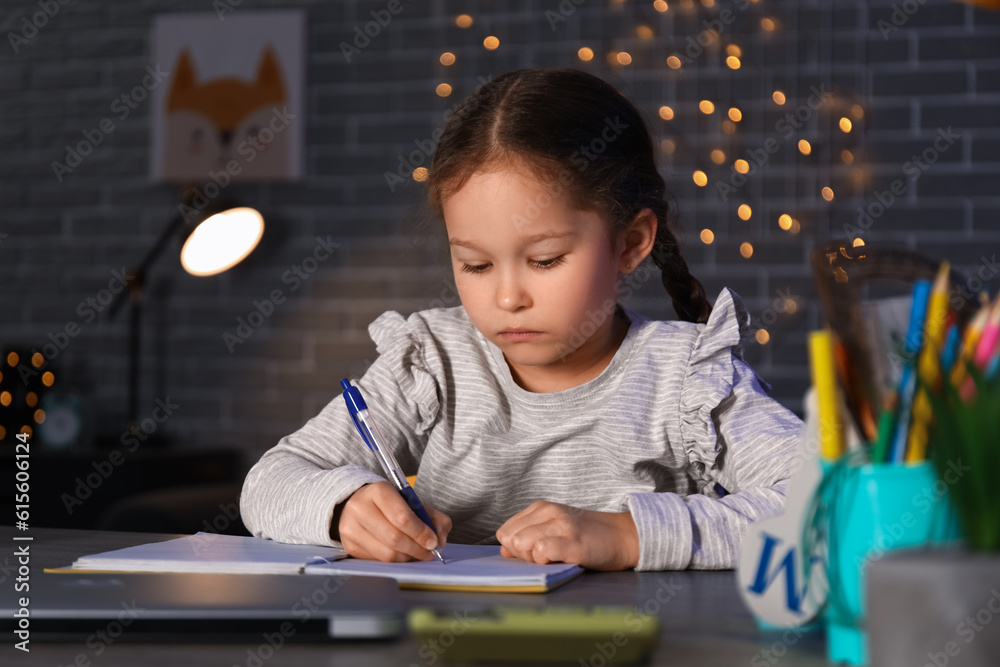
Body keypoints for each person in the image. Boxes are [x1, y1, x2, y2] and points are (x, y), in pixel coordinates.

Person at [240, 68, 803, 572]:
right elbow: (269, 482)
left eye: (545, 260)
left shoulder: (688, 380)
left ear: (630, 243)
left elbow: (829, 506)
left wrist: (629, 535)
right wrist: (343, 508)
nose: (508, 297)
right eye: (476, 264)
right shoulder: (434, 362)